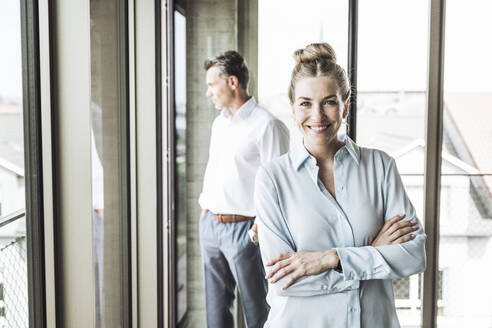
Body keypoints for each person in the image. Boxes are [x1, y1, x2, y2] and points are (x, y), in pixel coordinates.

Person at [254, 43, 426, 328]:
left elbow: (414, 256)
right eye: (306, 103)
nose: (317, 116)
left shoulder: (380, 167)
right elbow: (284, 281)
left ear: (345, 105)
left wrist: (329, 259)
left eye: (329, 102)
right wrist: (373, 254)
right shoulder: (272, 179)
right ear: (293, 109)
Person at [199, 50, 290, 328]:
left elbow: (278, 188)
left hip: (245, 231)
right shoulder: (219, 124)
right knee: (216, 316)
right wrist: (205, 212)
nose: (208, 93)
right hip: (211, 226)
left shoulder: (268, 125)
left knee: (257, 313)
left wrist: (256, 232)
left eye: (212, 85)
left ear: (233, 82)